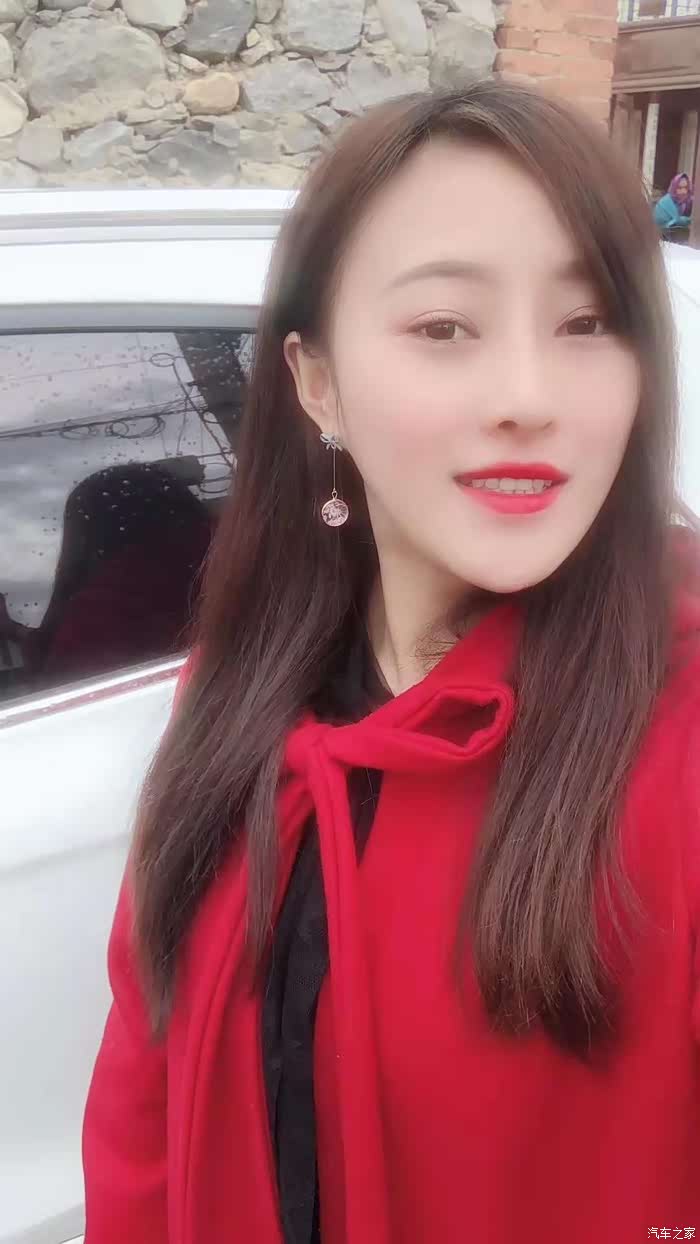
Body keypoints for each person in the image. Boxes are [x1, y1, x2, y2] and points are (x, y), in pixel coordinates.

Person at [82, 83, 700, 1244]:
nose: (527, 399)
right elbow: (140, 1116)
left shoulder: (677, 736)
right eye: (443, 328)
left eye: (586, 324)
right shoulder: (238, 697)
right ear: (317, 383)